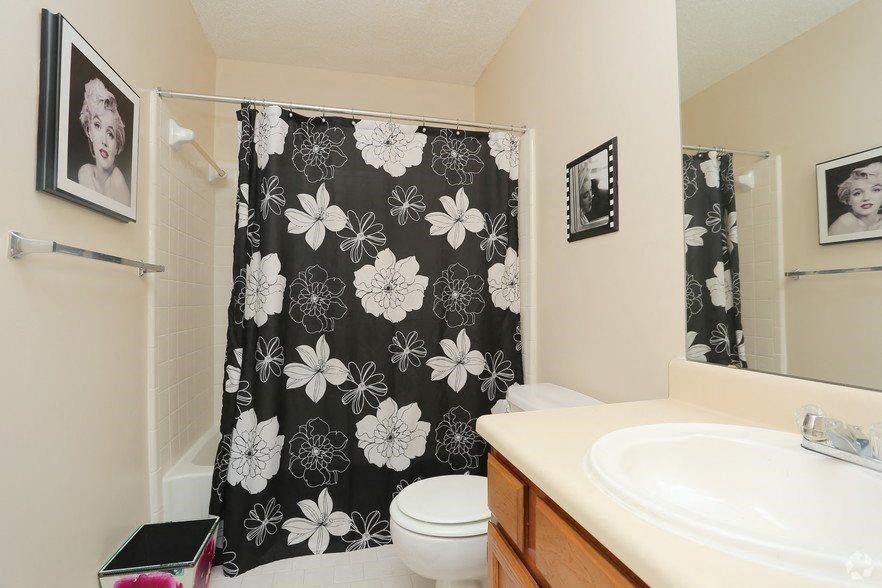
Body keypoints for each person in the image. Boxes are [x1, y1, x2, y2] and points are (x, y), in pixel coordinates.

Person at [77, 78, 130, 204]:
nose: (104, 141)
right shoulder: (85, 173)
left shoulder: (118, 182)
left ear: (117, 147)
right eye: (97, 126)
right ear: (89, 131)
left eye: (110, 134)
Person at [829, 162, 882, 236]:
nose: (866, 198)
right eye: (857, 193)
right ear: (848, 199)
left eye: (876, 190)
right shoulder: (845, 223)